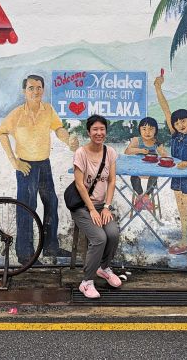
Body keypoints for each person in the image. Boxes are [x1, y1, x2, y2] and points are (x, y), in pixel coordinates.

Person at [0, 74, 78, 263]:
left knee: (51, 203)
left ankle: (51, 248)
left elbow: (58, 128)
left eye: (39, 87)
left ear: (43, 89)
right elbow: (1, 133)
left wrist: (68, 140)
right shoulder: (17, 113)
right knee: (26, 208)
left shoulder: (48, 110)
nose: (36, 91)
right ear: (24, 91)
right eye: (31, 88)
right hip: (26, 167)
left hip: (44, 164)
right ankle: (25, 254)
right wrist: (14, 161)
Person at [154, 73, 187, 268]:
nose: (179, 124)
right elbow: (166, 109)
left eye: (183, 121)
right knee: (182, 212)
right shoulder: (175, 135)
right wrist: (158, 88)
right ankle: (184, 242)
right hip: (176, 178)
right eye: (176, 123)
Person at [71, 114, 122, 299]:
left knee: (113, 233)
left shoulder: (110, 153)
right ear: (89, 132)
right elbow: (79, 185)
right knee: (99, 237)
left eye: (102, 129)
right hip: (83, 207)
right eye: (95, 129)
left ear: (106, 132)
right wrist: (92, 209)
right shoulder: (81, 154)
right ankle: (86, 282)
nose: (99, 133)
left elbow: (112, 180)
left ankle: (104, 268)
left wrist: (106, 207)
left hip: (102, 206)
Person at [124, 117, 167, 212]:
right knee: (134, 176)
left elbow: (164, 155)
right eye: (144, 129)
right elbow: (127, 151)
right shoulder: (136, 140)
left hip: (151, 170)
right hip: (138, 169)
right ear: (139, 129)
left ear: (155, 131)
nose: (147, 132)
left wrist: (161, 149)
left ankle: (146, 196)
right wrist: (140, 150)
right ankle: (140, 195)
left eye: (151, 129)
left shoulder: (156, 142)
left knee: (155, 175)